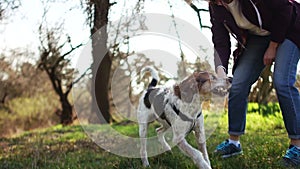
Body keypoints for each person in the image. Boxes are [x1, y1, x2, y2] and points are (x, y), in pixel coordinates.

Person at [207, 0, 300, 166]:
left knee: (282, 82)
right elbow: (220, 40)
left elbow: (286, 9)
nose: (218, 2)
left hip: (290, 27)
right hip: (260, 36)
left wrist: (273, 46)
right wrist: (220, 70)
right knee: (238, 84)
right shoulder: (216, 7)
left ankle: (298, 146)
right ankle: (234, 143)